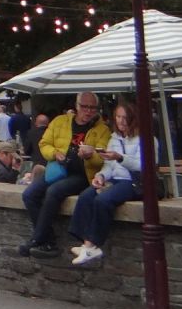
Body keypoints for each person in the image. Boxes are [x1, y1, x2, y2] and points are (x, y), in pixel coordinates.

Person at [20, 92, 111, 258]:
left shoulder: (102, 130)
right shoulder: (60, 121)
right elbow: (44, 143)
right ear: (76, 107)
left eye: (92, 108)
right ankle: (48, 240)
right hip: (58, 169)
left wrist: (90, 155)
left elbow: (102, 159)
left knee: (54, 192)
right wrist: (55, 153)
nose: (88, 111)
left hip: (83, 174)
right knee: (29, 194)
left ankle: (37, 239)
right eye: (84, 107)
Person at [69, 99, 148, 265]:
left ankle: (92, 245)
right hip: (114, 179)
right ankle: (85, 242)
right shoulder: (114, 139)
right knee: (86, 196)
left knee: (102, 200)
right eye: (118, 117)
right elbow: (108, 166)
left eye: (125, 117)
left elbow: (143, 165)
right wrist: (101, 176)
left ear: (133, 118)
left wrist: (120, 157)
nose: (121, 121)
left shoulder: (145, 139)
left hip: (133, 181)